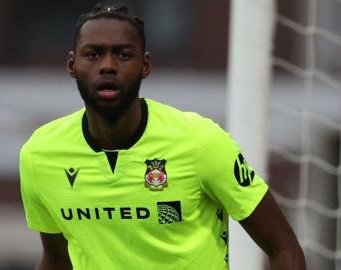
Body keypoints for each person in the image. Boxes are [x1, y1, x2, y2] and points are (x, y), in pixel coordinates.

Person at [19, 3, 306, 270]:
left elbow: (283, 247)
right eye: (93, 54)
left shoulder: (200, 142)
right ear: (72, 65)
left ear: (145, 65)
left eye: (123, 54)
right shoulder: (40, 156)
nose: (107, 65)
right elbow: (57, 260)